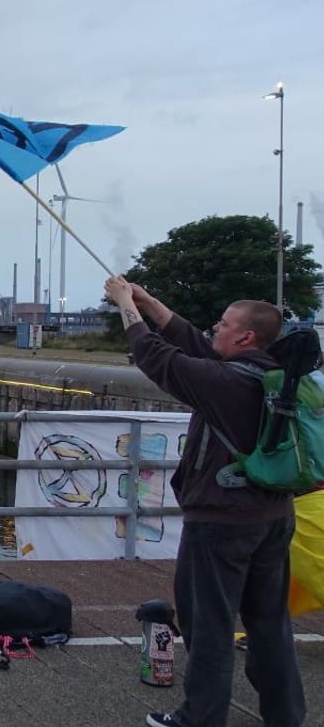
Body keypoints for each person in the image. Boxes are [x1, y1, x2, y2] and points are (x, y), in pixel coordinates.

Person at [104, 275, 304, 727]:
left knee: (208, 626)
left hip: (222, 522)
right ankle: (286, 715)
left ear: (246, 336)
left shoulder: (225, 384)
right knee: (269, 624)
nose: (215, 327)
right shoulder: (269, 375)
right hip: (273, 517)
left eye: (224, 323)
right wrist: (148, 302)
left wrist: (124, 307)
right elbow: (193, 342)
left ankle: (200, 718)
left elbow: (157, 358)